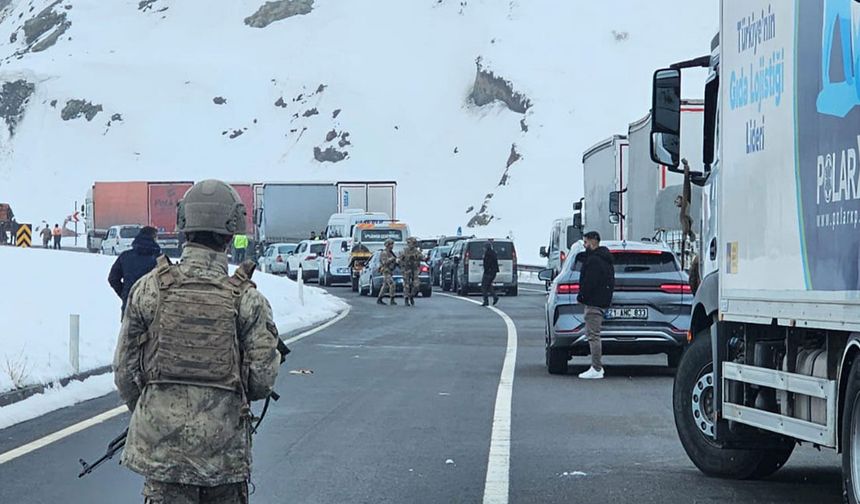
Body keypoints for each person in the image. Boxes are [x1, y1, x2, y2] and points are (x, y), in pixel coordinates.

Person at [113, 179, 281, 503]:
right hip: (224, 460)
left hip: (163, 459)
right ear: (231, 232)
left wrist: (155, 410)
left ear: (183, 225)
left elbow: (124, 372)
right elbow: (261, 382)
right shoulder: (248, 300)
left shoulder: (149, 289)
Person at [576, 231, 615, 380]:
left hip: (594, 302)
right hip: (602, 300)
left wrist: (581, 296)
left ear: (593, 242)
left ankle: (596, 368)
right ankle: (596, 367)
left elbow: (589, 282)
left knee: (593, 335)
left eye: (586, 242)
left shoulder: (594, 261)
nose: (584, 246)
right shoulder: (606, 259)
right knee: (594, 334)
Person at [108, 226, 161, 316]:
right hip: (154, 309)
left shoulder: (125, 256)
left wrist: (125, 294)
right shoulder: (160, 259)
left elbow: (113, 279)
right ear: (154, 238)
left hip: (129, 307)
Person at [400, 237, 423, 307]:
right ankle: (406, 298)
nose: (412, 245)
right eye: (410, 243)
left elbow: (421, 257)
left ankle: (411, 295)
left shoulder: (417, 251)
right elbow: (400, 259)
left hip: (415, 269)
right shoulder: (405, 250)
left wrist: (416, 256)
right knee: (406, 285)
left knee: (416, 285)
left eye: (413, 243)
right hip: (406, 269)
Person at [376, 239, 398, 305]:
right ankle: (392, 299)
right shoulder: (384, 253)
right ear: (387, 245)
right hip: (386, 271)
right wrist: (392, 259)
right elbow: (384, 262)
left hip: (390, 271)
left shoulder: (391, 252)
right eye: (391, 244)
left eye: (392, 244)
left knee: (385, 286)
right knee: (392, 284)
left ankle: (379, 298)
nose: (392, 246)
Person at [481, 241, 500, 307]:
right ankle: (495, 297)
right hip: (493, 272)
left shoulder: (488, 254)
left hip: (488, 272)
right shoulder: (493, 253)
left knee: (484, 286)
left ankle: (486, 301)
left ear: (486, 247)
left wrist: (486, 270)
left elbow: (487, 263)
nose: (483, 249)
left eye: (484, 247)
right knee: (488, 285)